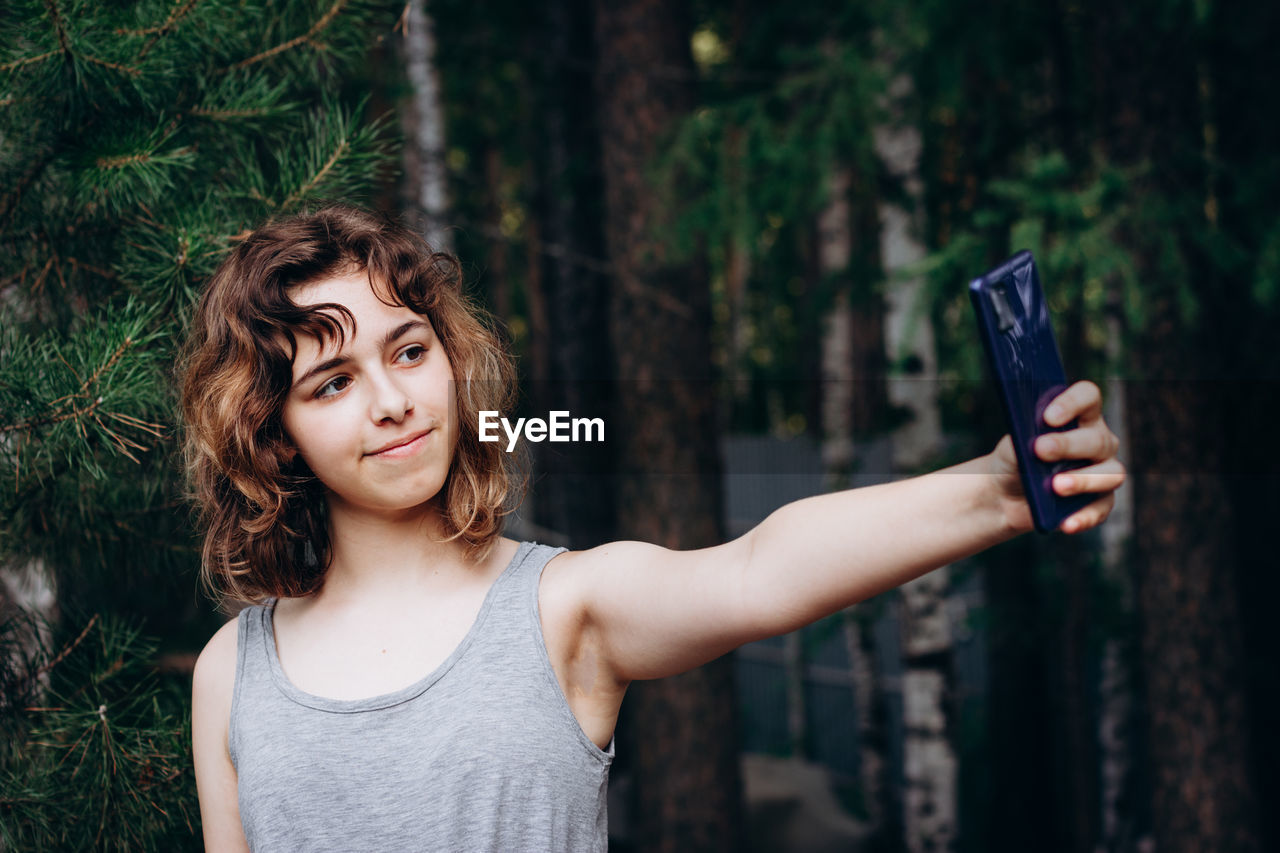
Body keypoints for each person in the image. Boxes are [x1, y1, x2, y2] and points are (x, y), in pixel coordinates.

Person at [185, 204, 1125, 852]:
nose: (391, 400)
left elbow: (763, 568)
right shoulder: (236, 670)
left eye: (410, 350)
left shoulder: (562, 609)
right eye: (333, 382)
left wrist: (997, 489)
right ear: (275, 434)